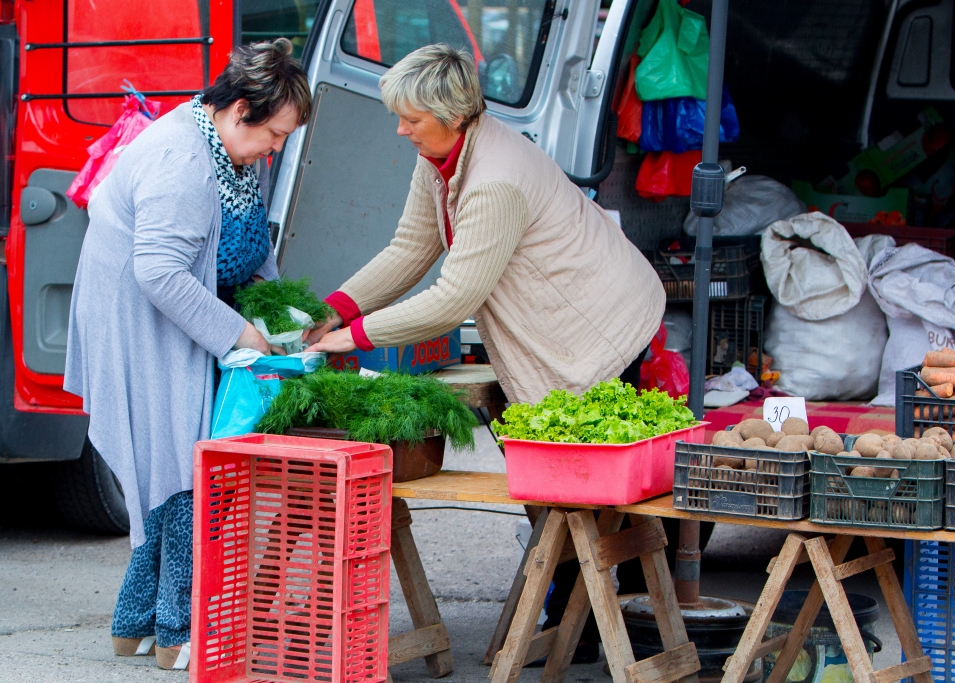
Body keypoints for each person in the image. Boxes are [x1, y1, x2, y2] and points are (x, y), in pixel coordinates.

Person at [305, 43, 666, 662]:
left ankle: (584, 626)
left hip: (602, 321)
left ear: (452, 115)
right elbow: (409, 249)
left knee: (580, 491)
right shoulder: (440, 155)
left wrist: (352, 339)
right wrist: (335, 308)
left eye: (410, 119)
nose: (400, 130)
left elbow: (452, 299)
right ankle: (577, 625)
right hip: (564, 317)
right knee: (566, 490)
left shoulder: (494, 177)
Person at [64, 38, 311, 671]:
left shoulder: (227, 148)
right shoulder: (182, 160)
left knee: (176, 464)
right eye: (275, 134)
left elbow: (252, 247)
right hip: (141, 319)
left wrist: (278, 309)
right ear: (239, 112)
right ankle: (177, 630)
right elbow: (160, 274)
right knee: (179, 470)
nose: (276, 148)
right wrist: (241, 336)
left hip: (185, 311)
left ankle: (134, 625)